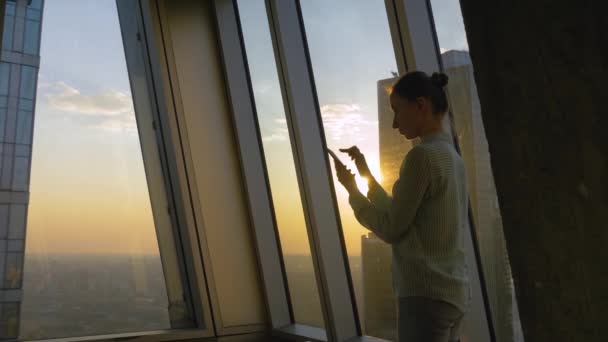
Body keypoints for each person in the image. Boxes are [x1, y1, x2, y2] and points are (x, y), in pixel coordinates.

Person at [334, 71, 471, 342]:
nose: (395, 124)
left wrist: (352, 192)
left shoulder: (422, 156)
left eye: (397, 111)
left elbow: (391, 228)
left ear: (421, 105)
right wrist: (367, 177)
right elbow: (402, 211)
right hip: (453, 293)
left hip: (425, 295)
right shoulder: (452, 157)